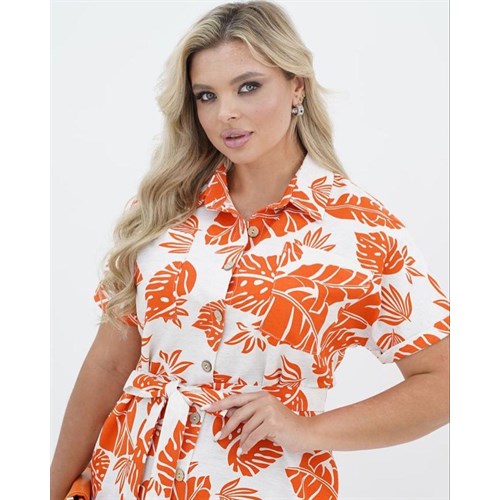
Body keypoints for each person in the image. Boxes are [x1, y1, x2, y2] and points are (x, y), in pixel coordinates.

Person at [50, 1, 450, 498]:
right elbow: (109, 364)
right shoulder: (163, 208)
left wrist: (310, 430)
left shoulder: (362, 229)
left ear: (297, 85)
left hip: (264, 484)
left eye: (248, 87)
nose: (226, 114)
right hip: (128, 480)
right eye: (206, 96)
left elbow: (446, 381)